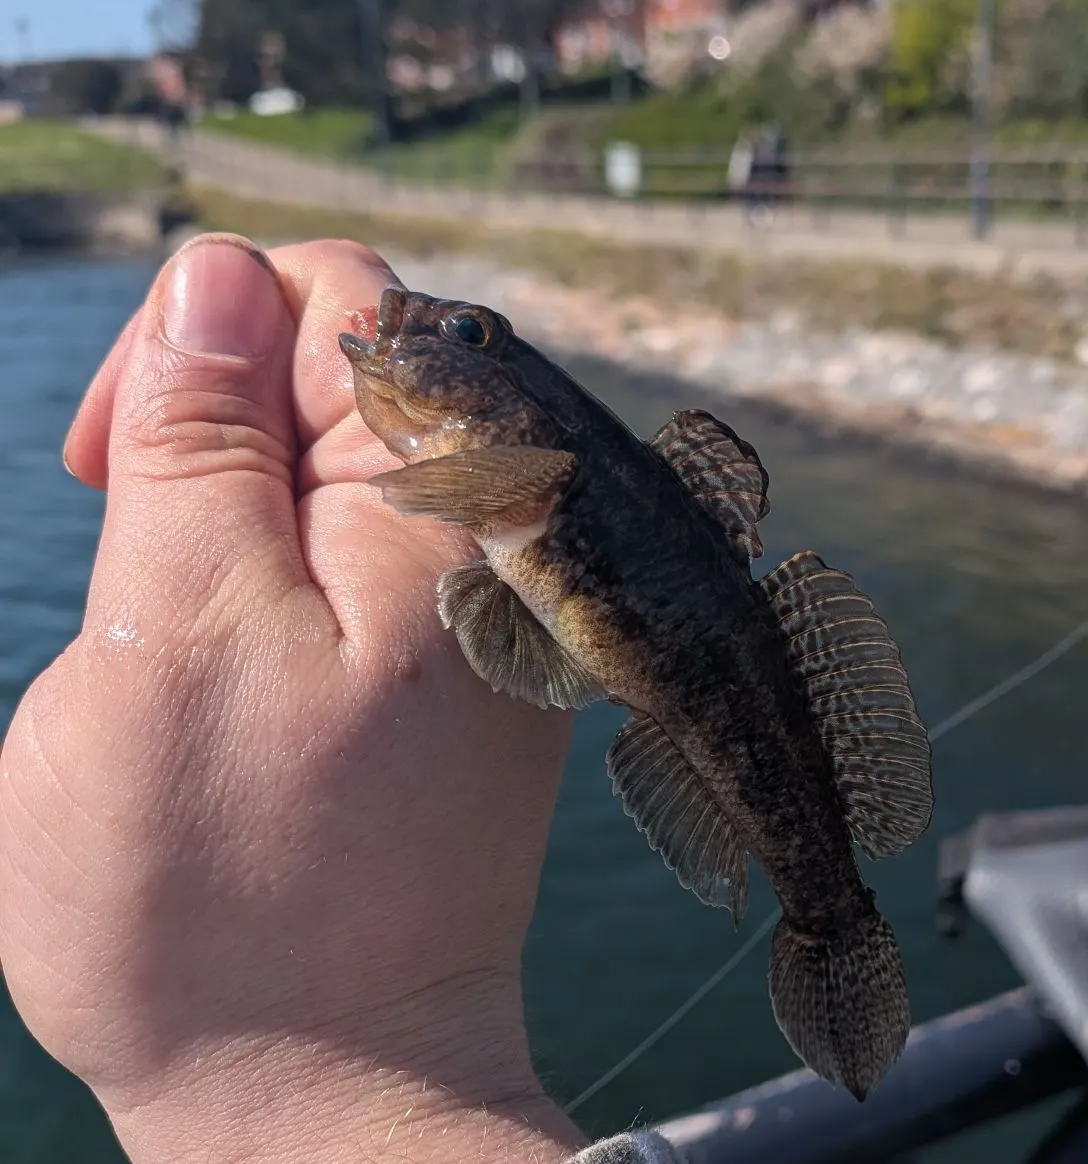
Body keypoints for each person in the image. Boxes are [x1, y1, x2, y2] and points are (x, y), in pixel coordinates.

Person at [0, 234, 686, 1164]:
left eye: (472, 337)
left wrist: (254, 1070)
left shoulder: (525, 476)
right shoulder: (507, 479)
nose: (437, 334)